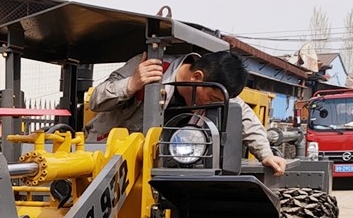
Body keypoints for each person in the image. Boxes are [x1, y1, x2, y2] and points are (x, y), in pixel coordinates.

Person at [87, 50, 287, 176]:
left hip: (156, 167)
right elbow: (96, 101)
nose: (212, 105)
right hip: (106, 160)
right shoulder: (152, 67)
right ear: (197, 77)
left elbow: (244, 115)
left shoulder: (215, 88)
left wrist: (265, 154)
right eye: (211, 99)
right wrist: (132, 84)